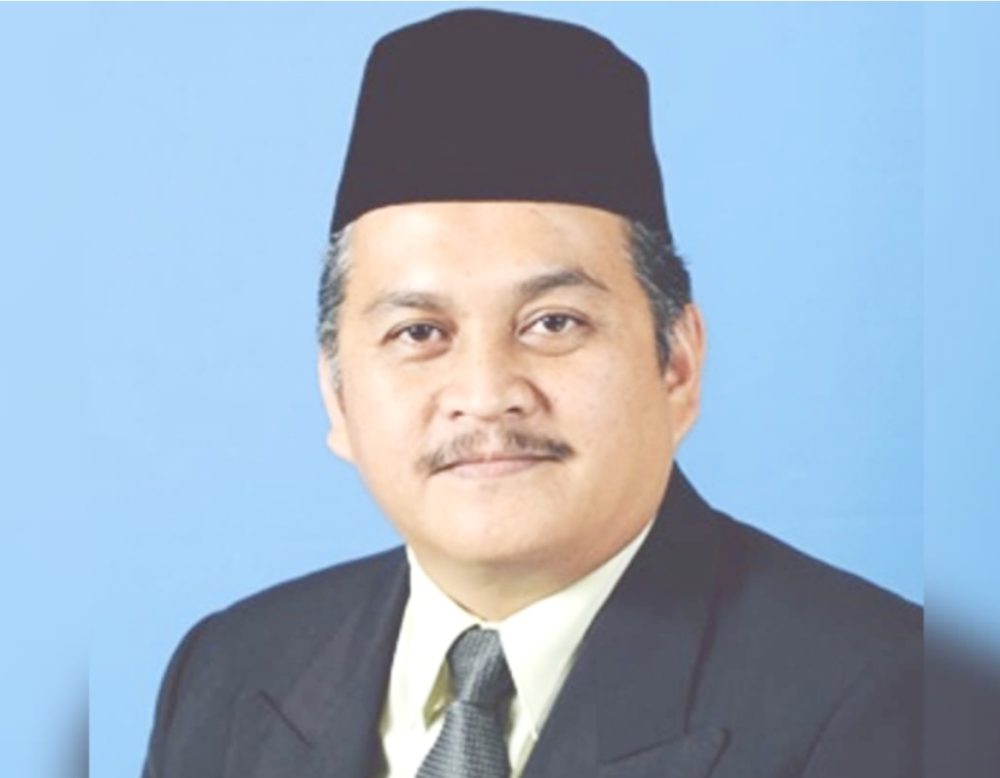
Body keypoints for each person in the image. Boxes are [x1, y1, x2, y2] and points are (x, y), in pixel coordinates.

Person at [142, 9, 921, 778]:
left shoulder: (890, 697)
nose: (485, 395)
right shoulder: (229, 672)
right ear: (337, 395)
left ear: (677, 364)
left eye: (553, 323)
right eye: (420, 332)